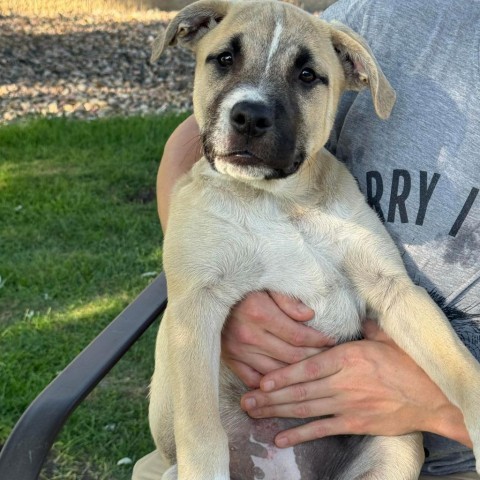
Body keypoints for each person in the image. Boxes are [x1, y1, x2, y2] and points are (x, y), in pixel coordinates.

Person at [133, 0, 480, 478]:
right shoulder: (380, 14)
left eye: (305, 78)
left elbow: (395, 294)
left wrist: (452, 407)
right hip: (218, 436)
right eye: (227, 61)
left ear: (354, 73)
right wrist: (212, 291)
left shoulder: (339, 200)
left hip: (372, 448)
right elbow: (183, 150)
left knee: (397, 450)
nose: (252, 106)